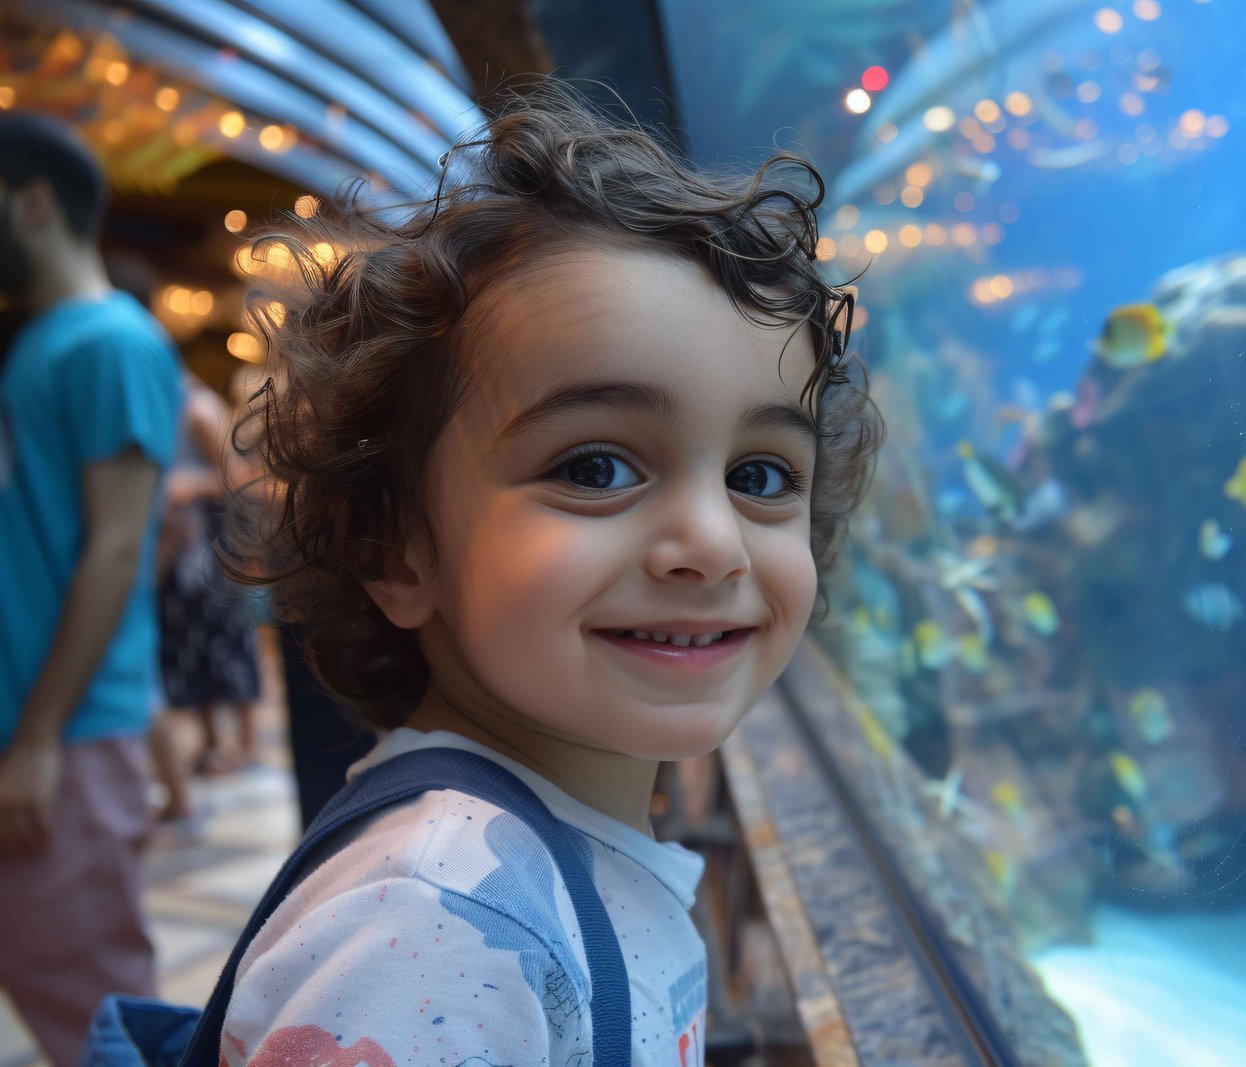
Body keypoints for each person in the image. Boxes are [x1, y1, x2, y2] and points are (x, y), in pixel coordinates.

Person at [215, 75, 881, 1065]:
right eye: (595, 467)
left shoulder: (524, 873)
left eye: (759, 475)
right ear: (395, 547)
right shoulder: (441, 925)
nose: (714, 543)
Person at [0, 114, 181, 1064]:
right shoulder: (44, 342)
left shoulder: (111, 341)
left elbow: (117, 550)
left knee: (94, 1021)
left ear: (32, 203)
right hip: (38, 728)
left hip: (63, 734)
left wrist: (36, 738)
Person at [157, 368, 265, 777]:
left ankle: (247, 744)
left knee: (229, 639)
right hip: (183, 550)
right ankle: (213, 741)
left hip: (214, 548)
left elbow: (238, 479)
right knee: (191, 640)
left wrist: (192, 485)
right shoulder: (170, 411)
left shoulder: (198, 410)